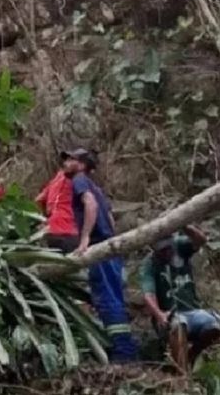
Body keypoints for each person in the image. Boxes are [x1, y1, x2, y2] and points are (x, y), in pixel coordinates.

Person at [61, 148, 138, 363]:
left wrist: (85, 239)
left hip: (100, 249)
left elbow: (91, 205)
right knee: (115, 298)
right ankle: (127, 350)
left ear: (82, 165)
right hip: (110, 249)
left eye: (71, 159)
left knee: (107, 300)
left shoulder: (80, 181)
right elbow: (110, 218)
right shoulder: (97, 188)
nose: (66, 163)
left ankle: (124, 356)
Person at [139, 225, 220, 372]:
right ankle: (181, 372)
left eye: (168, 248)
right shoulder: (150, 264)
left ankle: (192, 356)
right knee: (179, 326)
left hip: (192, 311)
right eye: (161, 251)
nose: (166, 253)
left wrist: (184, 225)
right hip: (170, 315)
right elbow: (148, 295)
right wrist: (159, 315)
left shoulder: (181, 246)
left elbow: (201, 240)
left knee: (214, 325)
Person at [35, 160, 78, 253]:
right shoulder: (78, 179)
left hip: (51, 229)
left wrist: (45, 218)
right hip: (69, 230)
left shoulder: (55, 181)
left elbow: (39, 200)